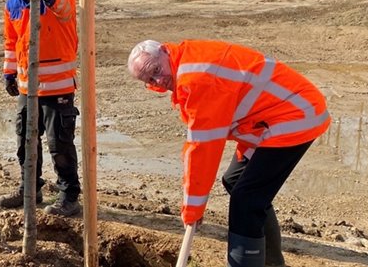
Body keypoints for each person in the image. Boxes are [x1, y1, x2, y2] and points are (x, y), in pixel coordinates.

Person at [126, 39, 331, 267]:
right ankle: (271, 263)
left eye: (156, 70)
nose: (159, 81)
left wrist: (192, 208)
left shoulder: (196, 78)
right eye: (150, 80)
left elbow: (203, 148)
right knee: (235, 180)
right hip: (270, 119)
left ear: (165, 50)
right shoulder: (187, 61)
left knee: (246, 200)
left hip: (296, 116)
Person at [0, 0, 82, 217]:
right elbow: (11, 43)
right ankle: (30, 189)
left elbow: (66, 7)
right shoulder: (13, 3)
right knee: (25, 141)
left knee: (60, 144)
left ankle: (69, 195)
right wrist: (9, 73)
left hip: (57, 88)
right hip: (27, 88)